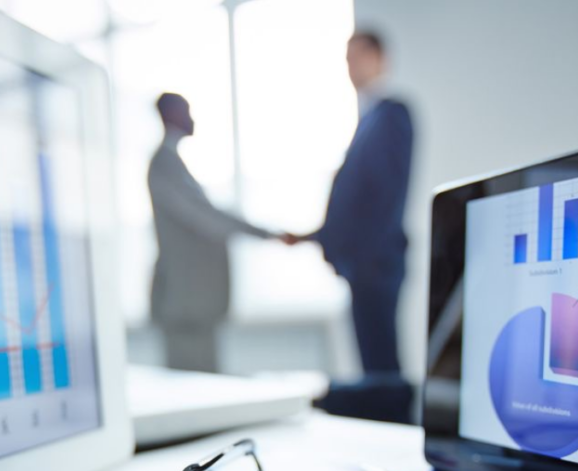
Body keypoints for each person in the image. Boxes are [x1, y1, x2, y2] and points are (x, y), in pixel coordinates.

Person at [287, 30, 413, 377]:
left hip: (376, 265)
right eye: (347, 59)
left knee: (381, 366)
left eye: (358, 57)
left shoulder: (391, 114)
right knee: (373, 363)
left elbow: (386, 197)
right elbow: (354, 203)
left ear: (380, 59)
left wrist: (364, 259)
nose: (351, 66)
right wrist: (316, 236)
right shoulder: (367, 120)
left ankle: (393, 429)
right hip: (365, 266)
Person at [148, 93, 286, 373]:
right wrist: (266, 234)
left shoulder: (173, 163)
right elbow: (205, 217)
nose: (192, 119)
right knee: (191, 383)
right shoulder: (164, 163)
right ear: (172, 114)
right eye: (187, 112)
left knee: (203, 378)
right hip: (184, 300)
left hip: (195, 303)